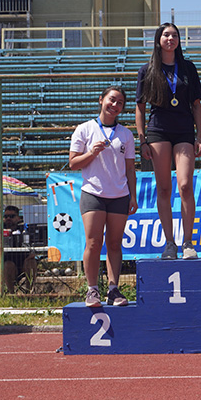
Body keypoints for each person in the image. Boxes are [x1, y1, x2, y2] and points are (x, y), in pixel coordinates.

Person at [135, 23, 201, 260]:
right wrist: (142, 140)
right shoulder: (147, 70)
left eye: (174, 35)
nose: (170, 38)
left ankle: (188, 243)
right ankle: (170, 243)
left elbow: (196, 105)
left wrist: (199, 136)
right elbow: (140, 108)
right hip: (158, 132)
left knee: (185, 185)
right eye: (166, 35)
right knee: (164, 188)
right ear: (158, 40)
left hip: (184, 130)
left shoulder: (188, 68)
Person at [69, 86, 137, 307]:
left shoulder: (126, 134)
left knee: (114, 243)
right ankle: (92, 290)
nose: (115, 105)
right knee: (93, 242)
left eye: (120, 103)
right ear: (101, 100)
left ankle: (113, 289)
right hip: (93, 193)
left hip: (120, 195)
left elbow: (130, 169)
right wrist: (92, 153)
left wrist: (133, 197)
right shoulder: (84, 129)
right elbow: (73, 163)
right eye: (112, 100)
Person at [2, 205, 38, 293]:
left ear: (18, 218)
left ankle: (29, 293)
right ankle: (11, 294)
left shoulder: (25, 229)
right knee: (8, 265)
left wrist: (33, 253)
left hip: (24, 259)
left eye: (12, 216)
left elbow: (35, 244)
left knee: (31, 263)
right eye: (6, 216)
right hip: (7, 260)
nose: (8, 218)